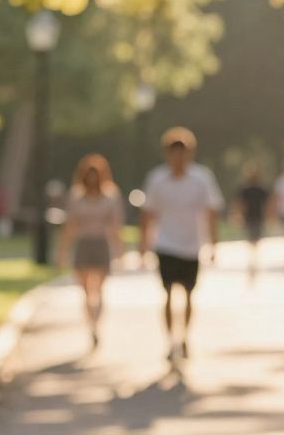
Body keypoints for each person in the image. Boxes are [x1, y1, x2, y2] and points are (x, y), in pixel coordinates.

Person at [138, 127, 224, 362]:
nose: (179, 158)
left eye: (183, 153)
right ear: (168, 154)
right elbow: (148, 213)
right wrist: (143, 244)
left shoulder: (201, 179)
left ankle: (184, 336)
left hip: (191, 245)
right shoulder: (157, 179)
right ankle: (169, 340)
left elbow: (211, 211)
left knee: (188, 294)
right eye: (174, 153)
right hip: (165, 244)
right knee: (166, 293)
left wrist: (213, 244)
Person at [57, 154, 124, 350]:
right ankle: (91, 324)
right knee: (87, 290)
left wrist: (119, 249)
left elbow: (115, 225)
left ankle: (97, 323)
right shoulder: (76, 196)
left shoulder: (110, 195)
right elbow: (70, 226)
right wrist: (62, 251)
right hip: (84, 244)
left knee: (100, 289)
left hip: (101, 244)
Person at [233, 163, 272, 282]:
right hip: (250, 217)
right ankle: (252, 257)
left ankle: (254, 257)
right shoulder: (245, 189)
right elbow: (240, 204)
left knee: (255, 239)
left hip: (258, 216)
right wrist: (238, 215)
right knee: (252, 238)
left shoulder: (261, 189)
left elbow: (267, 204)